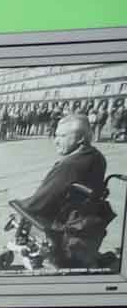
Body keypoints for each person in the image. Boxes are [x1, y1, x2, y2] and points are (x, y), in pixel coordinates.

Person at [11, 113, 114, 268]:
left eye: (63, 136)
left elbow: (39, 202)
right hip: (85, 213)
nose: (56, 141)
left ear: (80, 138)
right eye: (56, 135)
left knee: (20, 209)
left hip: (65, 220)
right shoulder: (97, 156)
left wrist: (21, 204)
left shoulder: (69, 165)